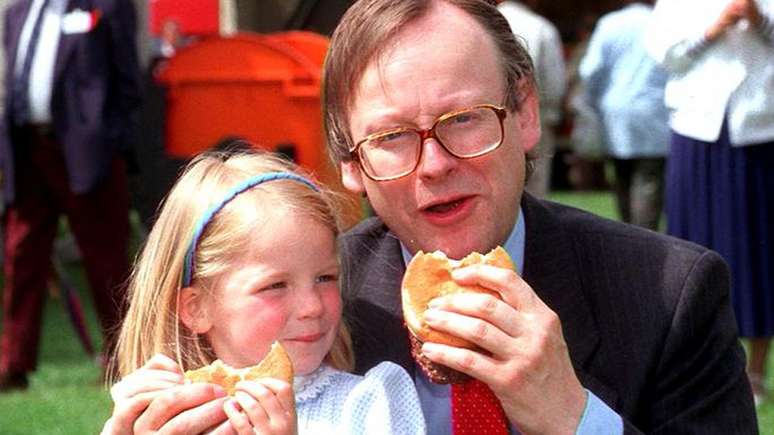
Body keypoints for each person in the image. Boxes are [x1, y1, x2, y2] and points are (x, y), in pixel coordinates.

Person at [105, 0, 757, 433]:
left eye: (464, 120)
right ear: (349, 162)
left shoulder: (669, 292)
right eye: (391, 137)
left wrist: (574, 414)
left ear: (525, 113)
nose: (435, 163)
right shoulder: (317, 309)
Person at [102, 150, 426, 434]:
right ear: (197, 308)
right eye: (275, 286)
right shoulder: (169, 416)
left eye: (325, 278)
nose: (312, 306)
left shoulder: (370, 403)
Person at [0, 0, 141, 390]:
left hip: (88, 154)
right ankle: (13, 364)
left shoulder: (108, 7)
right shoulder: (16, 12)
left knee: (105, 258)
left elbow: (128, 82)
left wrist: (111, 143)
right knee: (21, 254)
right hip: (28, 150)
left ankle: (125, 358)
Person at [646, 0, 774, 403]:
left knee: (759, 250)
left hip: (760, 129)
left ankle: (756, 371)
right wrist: (713, 28)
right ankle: (692, 364)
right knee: (690, 248)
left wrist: (759, 20)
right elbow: (665, 56)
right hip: (696, 126)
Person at [578, 0, 669, 231]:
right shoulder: (662, 21)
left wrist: (592, 102)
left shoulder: (610, 23)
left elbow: (590, 70)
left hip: (615, 113)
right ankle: (644, 238)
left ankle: (630, 235)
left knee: (622, 176)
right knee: (649, 180)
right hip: (656, 113)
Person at [496, 0, 566, 198]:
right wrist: (553, 112)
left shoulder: (478, 25)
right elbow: (554, 81)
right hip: (534, 110)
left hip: (489, 116)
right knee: (537, 179)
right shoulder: (542, 27)